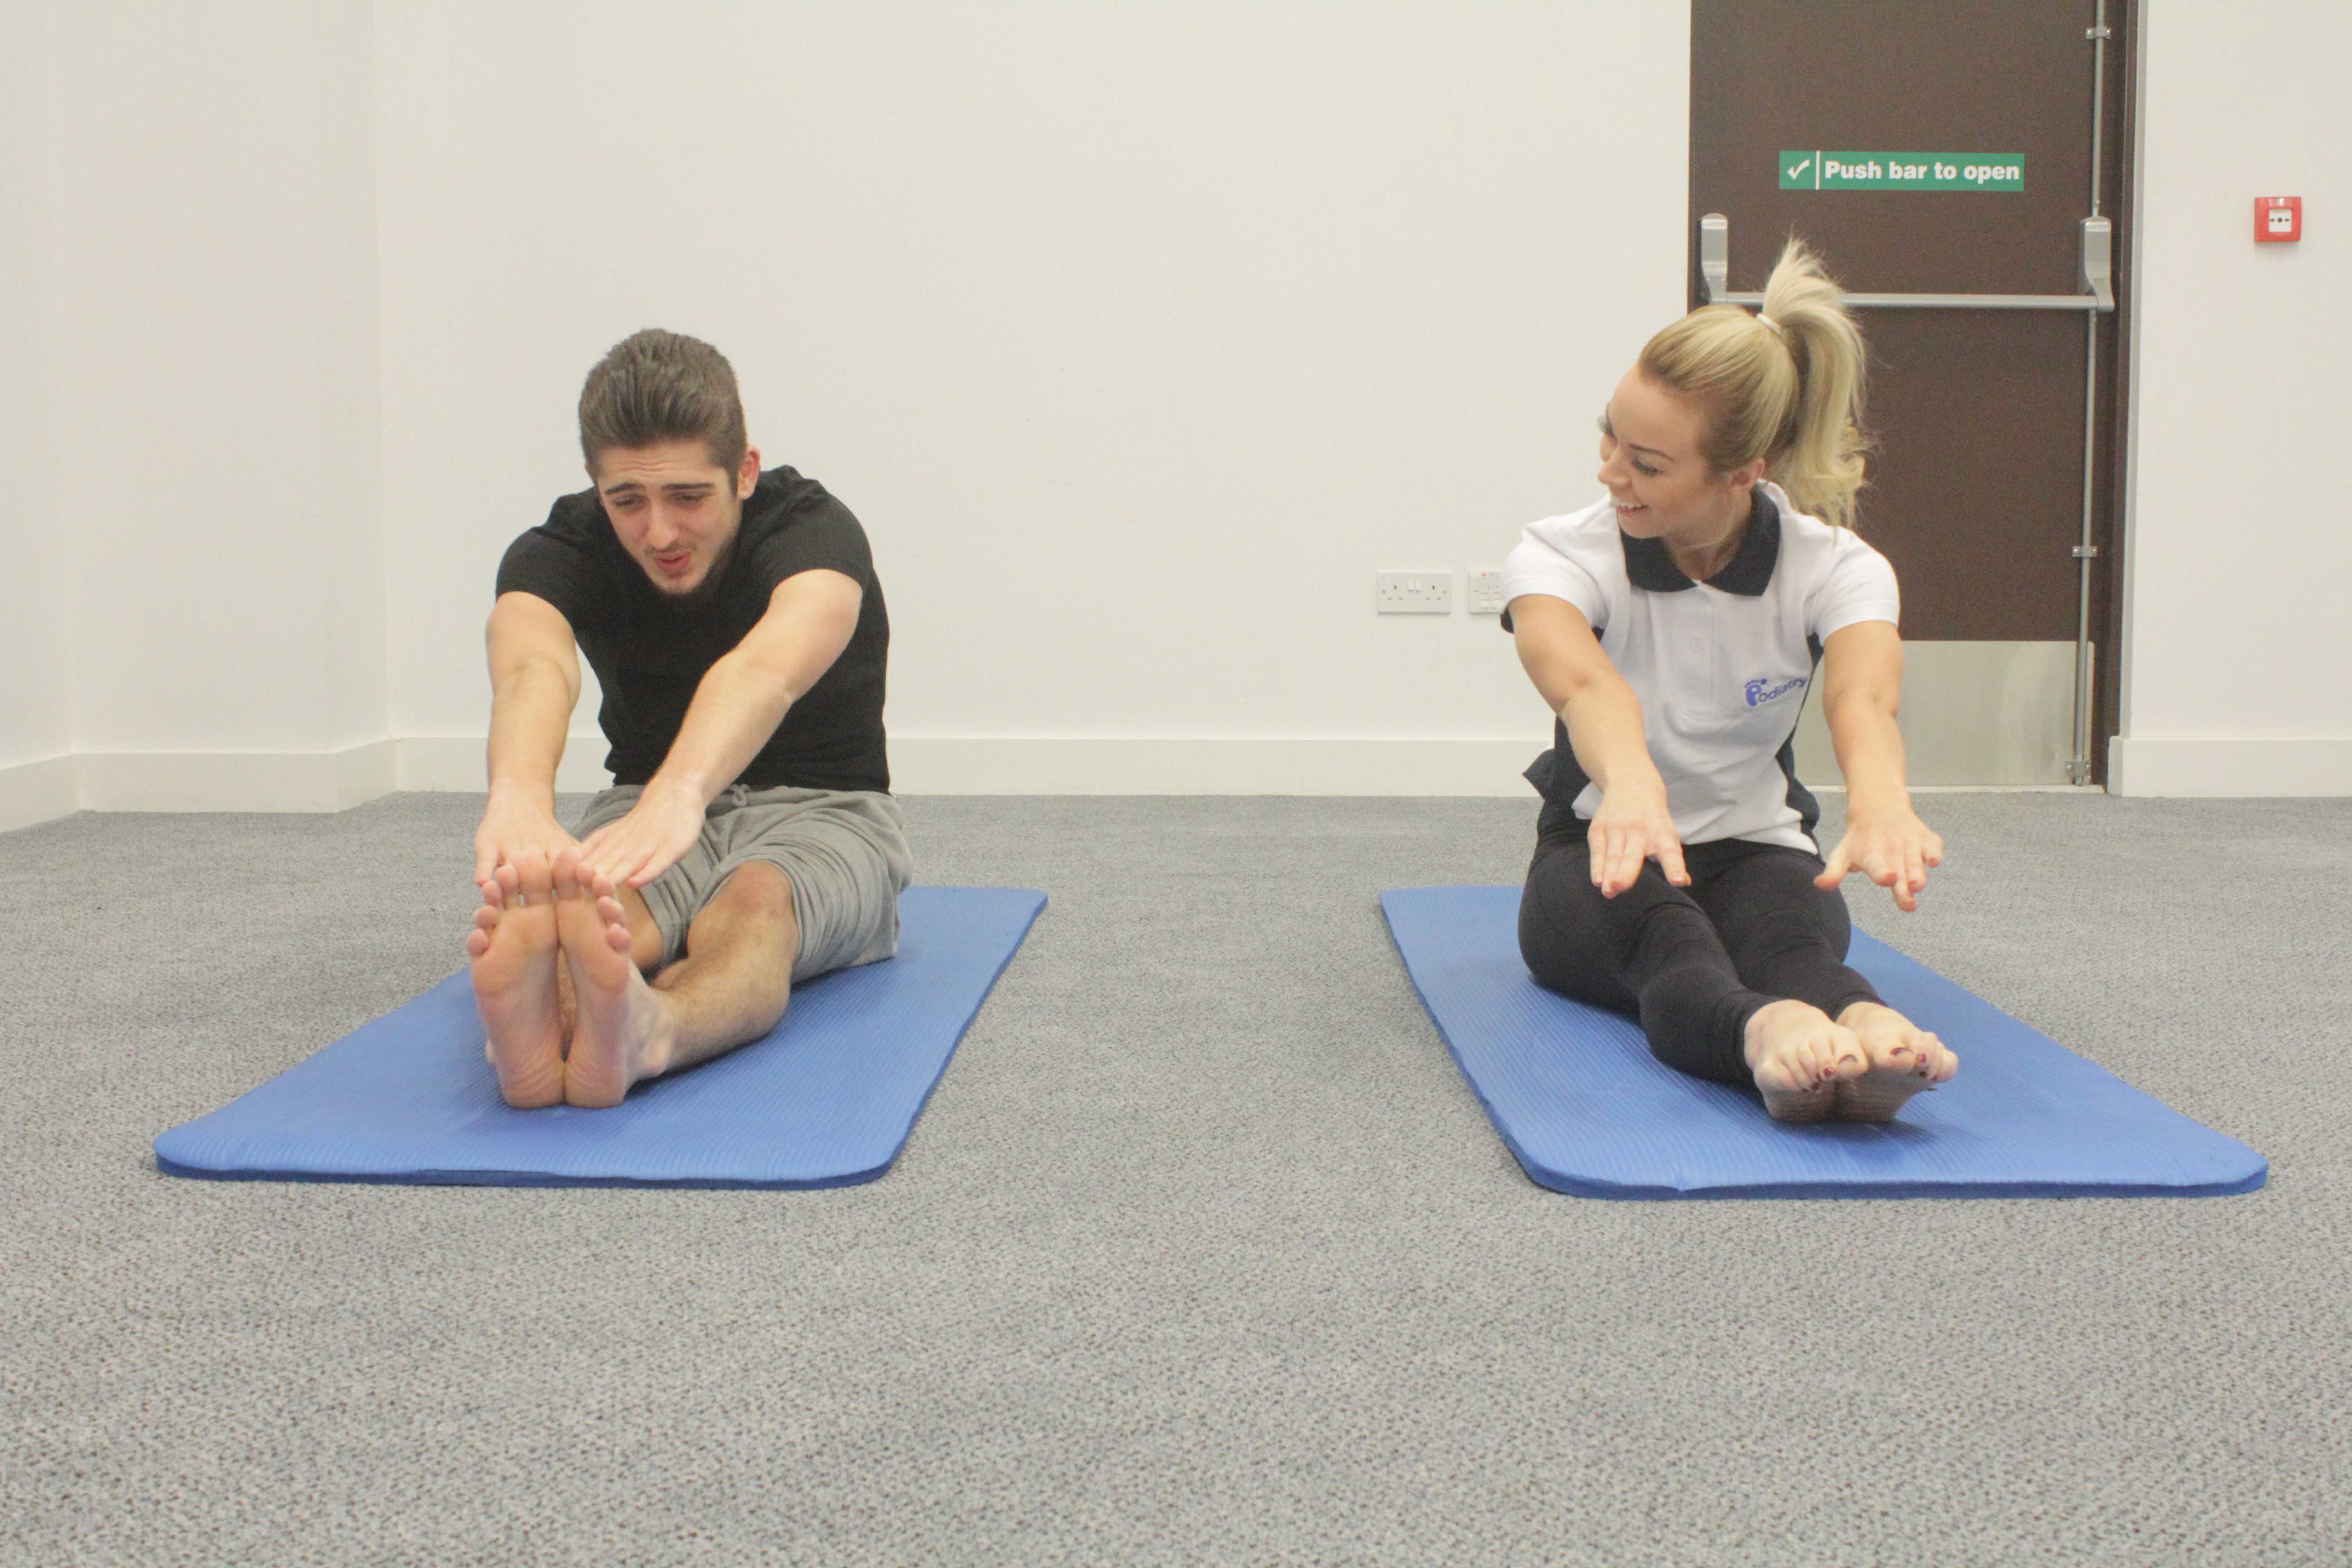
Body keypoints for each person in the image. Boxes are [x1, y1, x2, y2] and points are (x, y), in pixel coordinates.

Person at [1501, 240, 1959, 1123]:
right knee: (1676, 949)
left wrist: (1882, 800)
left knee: (1797, 946)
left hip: (1759, 848)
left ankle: (1866, 1028)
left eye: (1648, 462)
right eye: (1610, 434)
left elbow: (1862, 695)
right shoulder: (1561, 553)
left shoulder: (1836, 568)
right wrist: (1632, 788)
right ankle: (1767, 1037)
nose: (1609, 472)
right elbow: (1588, 686)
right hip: (1603, 851)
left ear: (1742, 475)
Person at [464, 329, 911, 1108]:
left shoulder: (815, 531)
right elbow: (534, 662)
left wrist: (685, 789)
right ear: (595, 487)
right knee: (599, 920)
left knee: (754, 904)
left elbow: (765, 670)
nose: (660, 532)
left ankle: (654, 1029)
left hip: (827, 809)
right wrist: (519, 797)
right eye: (627, 501)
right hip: (645, 806)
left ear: (744, 472)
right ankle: (551, 1024)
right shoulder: (564, 544)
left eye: (688, 498)